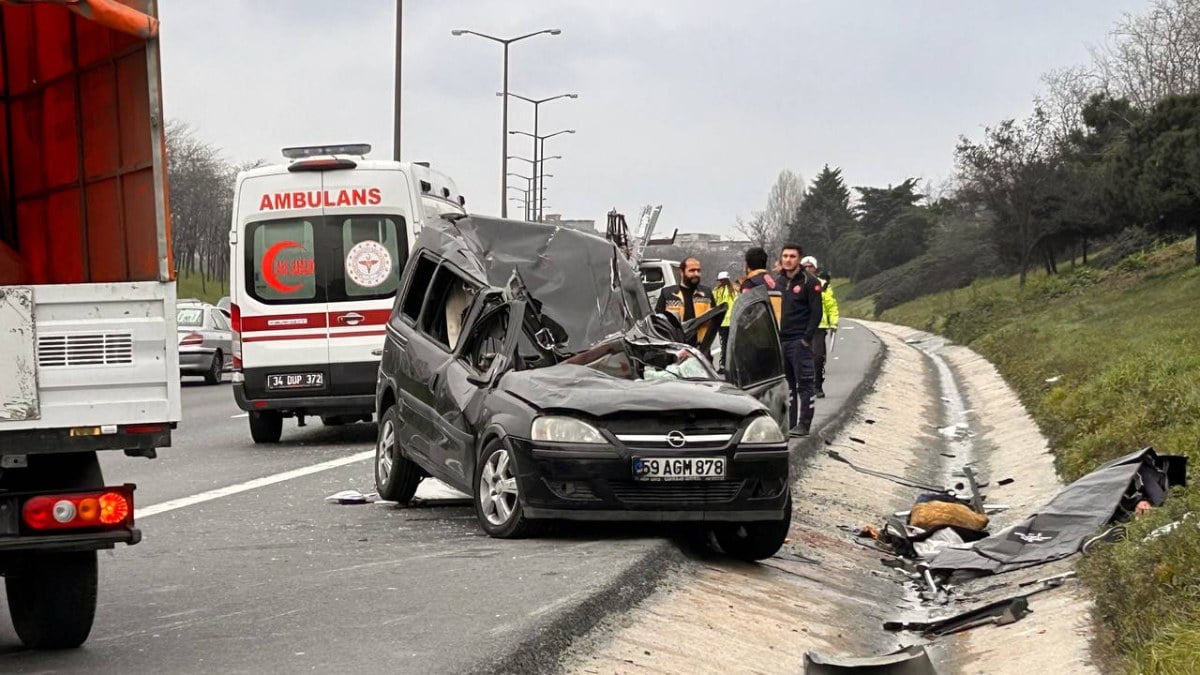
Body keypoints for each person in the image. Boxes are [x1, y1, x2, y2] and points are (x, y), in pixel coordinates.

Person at [776, 244, 823, 436]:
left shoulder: (809, 281)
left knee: (804, 383)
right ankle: (790, 423)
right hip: (781, 340)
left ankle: (804, 424)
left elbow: (816, 312)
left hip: (799, 340)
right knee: (787, 384)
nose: (788, 259)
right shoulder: (777, 282)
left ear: (799, 259)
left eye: (792, 256)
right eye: (785, 256)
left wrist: (806, 338)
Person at [802, 255, 839, 398]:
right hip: (801, 326)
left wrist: (833, 322)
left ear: (815, 268)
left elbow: (831, 305)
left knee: (817, 357)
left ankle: (817, 385)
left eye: (810, 266)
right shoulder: (796, 284)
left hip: (819, 326)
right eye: (804, 266)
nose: (807, 269)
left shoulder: (823, 285)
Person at [655, 257, 713, 344]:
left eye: (698, 270)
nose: (696, 274)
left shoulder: (706, 293)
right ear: (681, 272)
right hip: (675, 347)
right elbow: (658, 320)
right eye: (692, 270)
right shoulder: (667, 293)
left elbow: (714, 317)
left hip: (701, 347)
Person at [712, 271, 737, 371]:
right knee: (731, 344)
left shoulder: (716, 291)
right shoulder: (734, 291)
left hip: (721, 321)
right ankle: (730, 364)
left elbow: (714, 305)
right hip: (732, 321)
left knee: (724, 344)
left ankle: (723, 365)